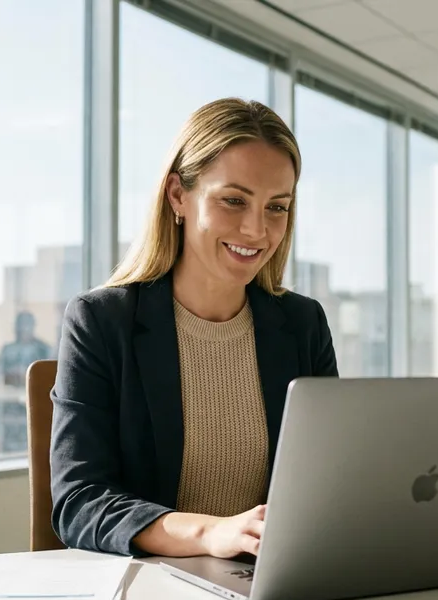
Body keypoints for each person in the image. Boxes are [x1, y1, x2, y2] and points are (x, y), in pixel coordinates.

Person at [49, 98, 338, 559]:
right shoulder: (101, 321)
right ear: (177, 195)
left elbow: (329, 479)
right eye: (234, 200)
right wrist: (210, 533)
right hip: (151, 582)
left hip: (269, 580)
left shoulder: (304, 325)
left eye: (277, 207)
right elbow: (79, 503)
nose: (257, 230)